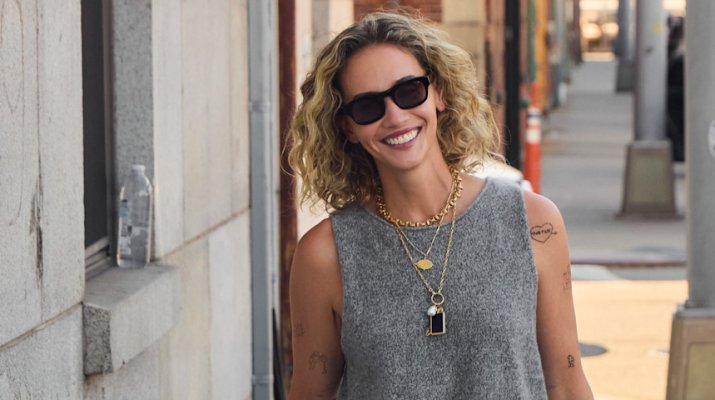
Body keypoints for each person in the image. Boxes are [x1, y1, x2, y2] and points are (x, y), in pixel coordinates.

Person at [287, 11, 593, 399]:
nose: (395, 116)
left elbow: (566, 384)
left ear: (439, 93)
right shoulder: (325, 255)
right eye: (367, 107)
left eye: (408, 91)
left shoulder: (533, 223)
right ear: (347, 127)